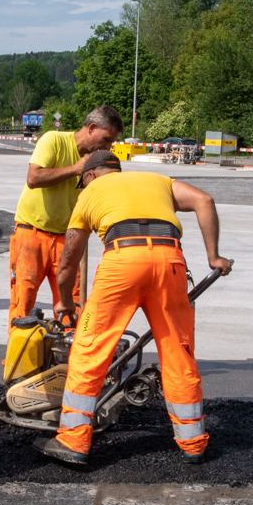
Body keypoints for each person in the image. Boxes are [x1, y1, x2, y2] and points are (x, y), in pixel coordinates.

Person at [38, 151, 232, 467]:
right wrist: (214, 257)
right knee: (177, 352)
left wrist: (63, 300)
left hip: (121, 263)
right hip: (170, 262)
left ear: (89, 176)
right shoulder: (156, 181)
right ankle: (193, 443)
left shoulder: (91, 193)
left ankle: (73, 441)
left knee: (90, 351)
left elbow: (69, 259)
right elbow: (205, 201)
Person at [8, 105, 124, 331]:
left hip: (67, 239)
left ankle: (71, 359)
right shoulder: (54, 140)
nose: (108, 146)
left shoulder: (97, 162)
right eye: (106, 139)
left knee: (71, 303)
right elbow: (34, 177)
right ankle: (19, 362)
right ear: (91, 128)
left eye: (111, 142)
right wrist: (77, 168)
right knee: (24, 299)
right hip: (31, 233)